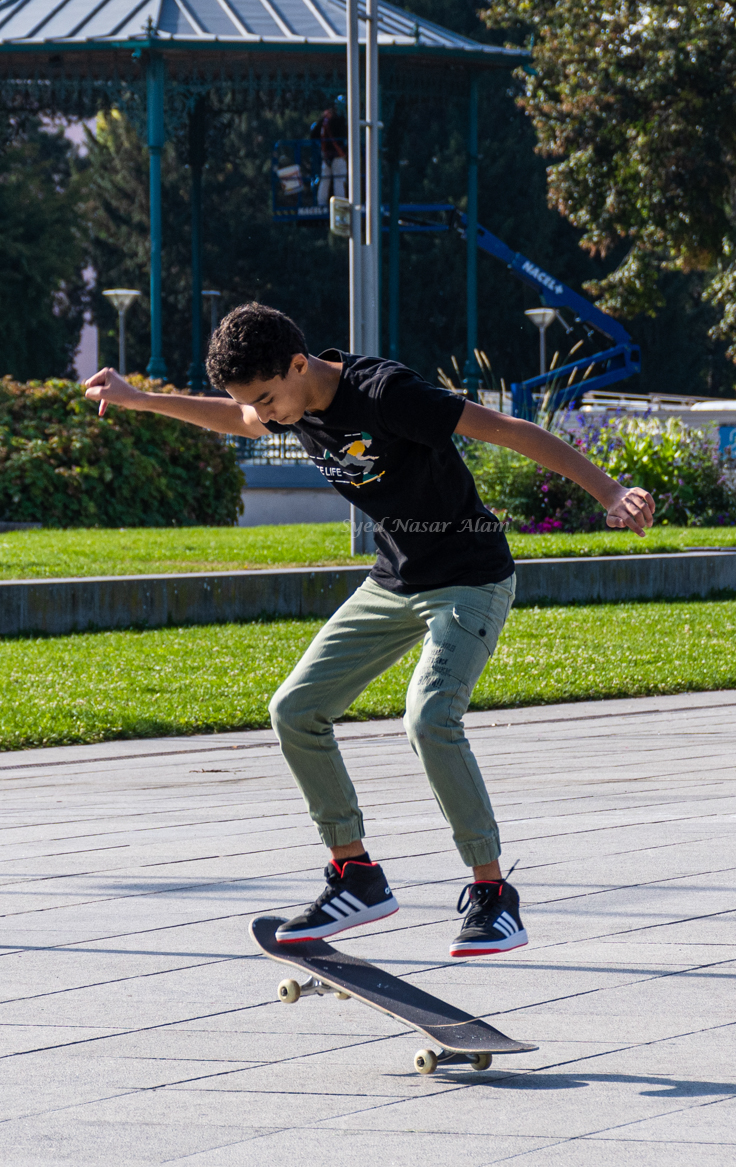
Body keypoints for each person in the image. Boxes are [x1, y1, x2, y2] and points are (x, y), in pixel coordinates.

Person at [84, 305, 654, 956]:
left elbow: (507, 428)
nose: (265, 417)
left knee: (429, 718)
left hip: (470, 577)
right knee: (294, 710)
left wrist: (609, 492)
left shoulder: (387, 394)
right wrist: (138, 398)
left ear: (299, 365)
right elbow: (231, 417)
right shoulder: (281, 399)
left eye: (269, 399)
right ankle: (357, 875)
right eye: (256, 405)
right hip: (393, 581)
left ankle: (494, 895)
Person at [309, 97, 348, 205]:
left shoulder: (324, 121)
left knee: (325, 181)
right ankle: (340, 204)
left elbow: (313, 135)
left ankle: (321, 204)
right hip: (337, 155)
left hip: (326, 155)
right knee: (339, 181)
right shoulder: (339, 120)